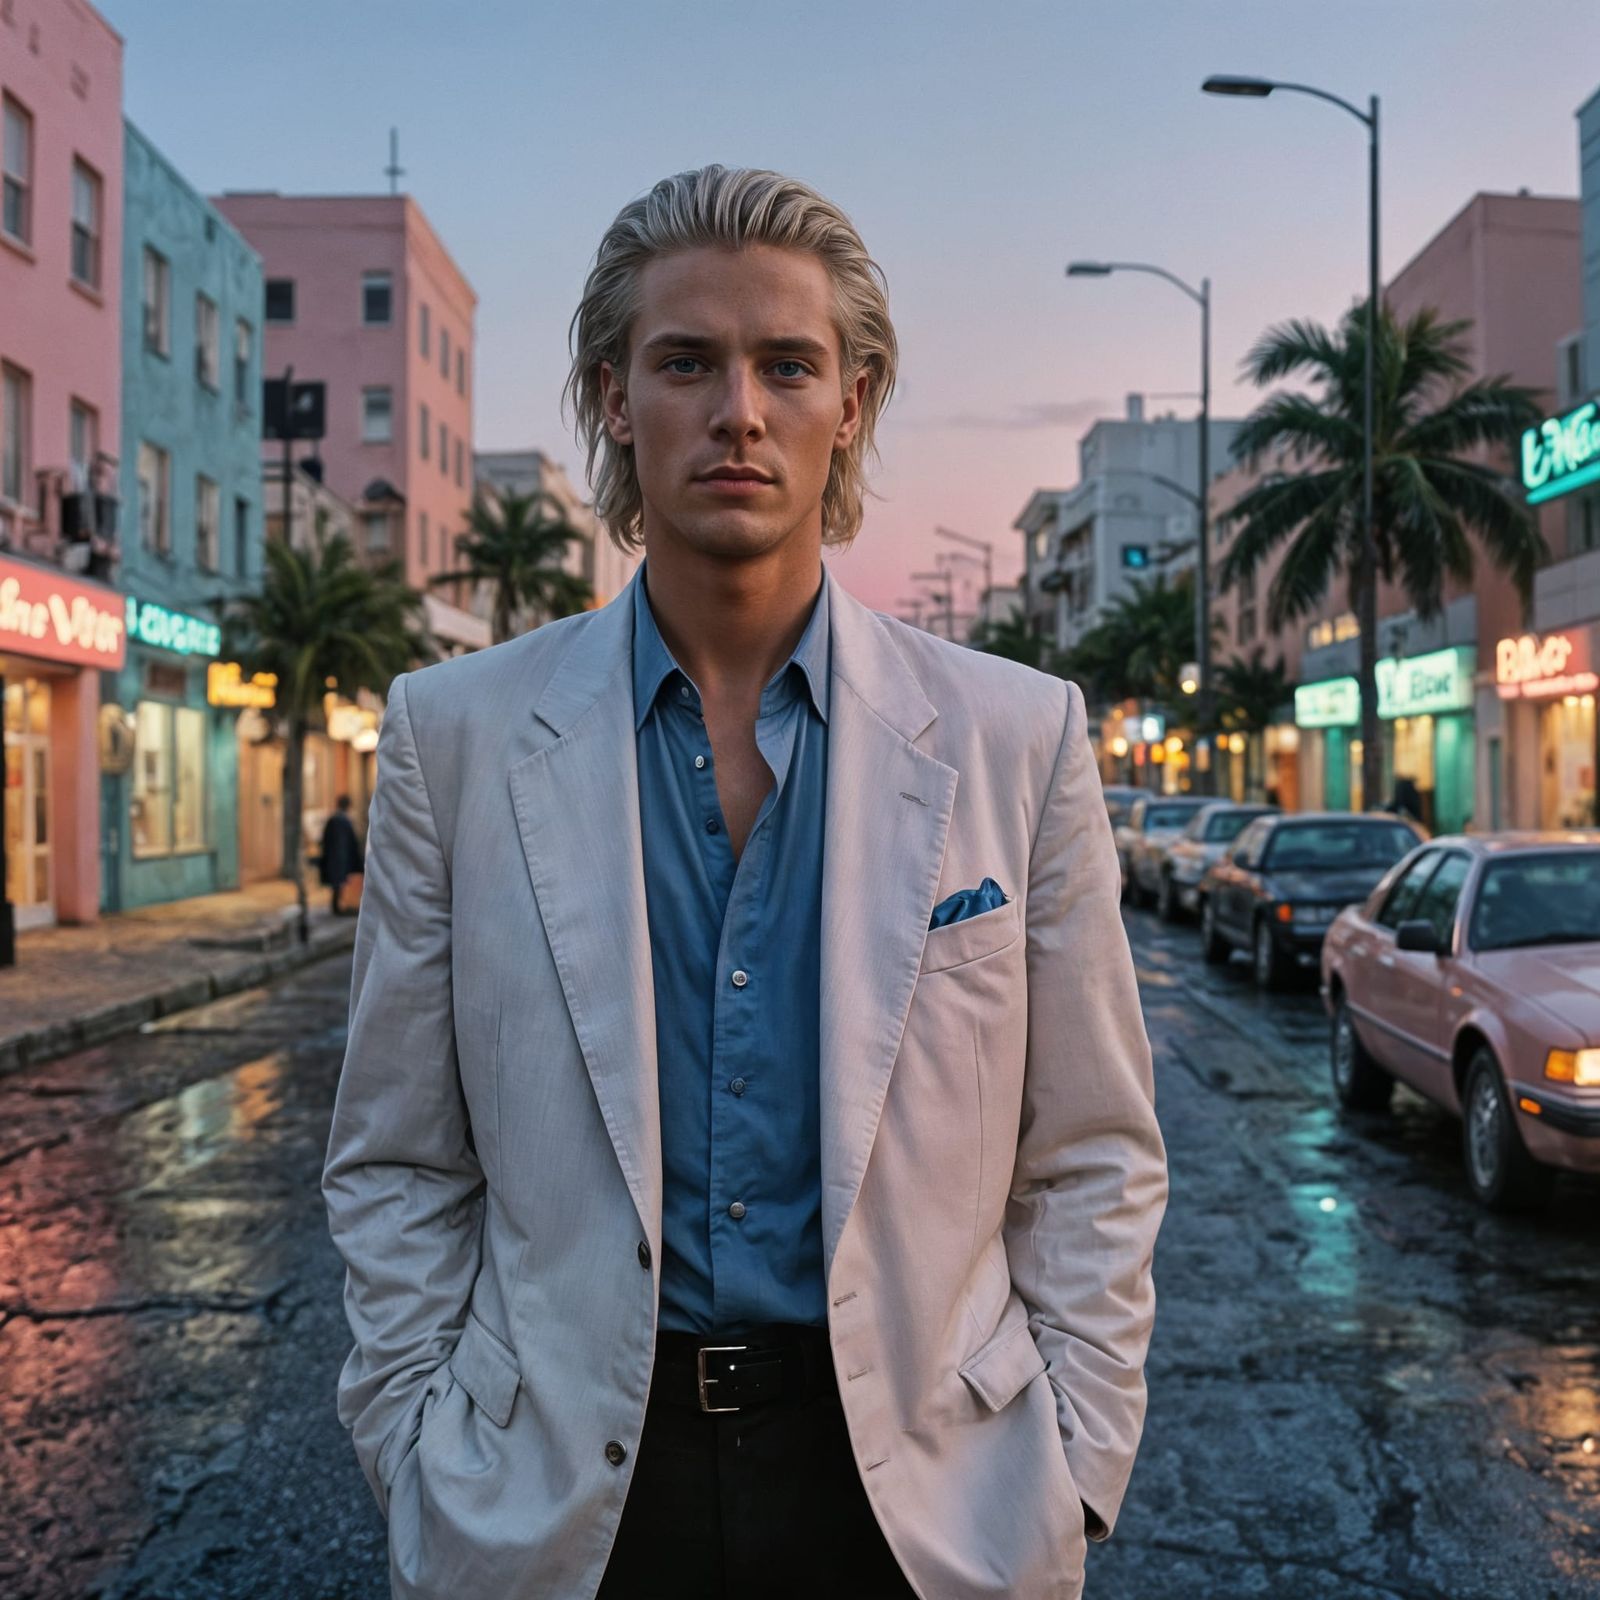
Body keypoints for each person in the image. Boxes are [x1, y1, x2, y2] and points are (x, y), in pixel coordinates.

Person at [323, 165, 1168, 1600]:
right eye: (686, 362)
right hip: (570, 1504)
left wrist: (1072, 1474)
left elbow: (1091, 1151)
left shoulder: (1013, 738)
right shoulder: (454, 737)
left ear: (854, 401)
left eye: (787, 365)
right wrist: (417, 1448)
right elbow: (400, 1156)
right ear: (612, 392)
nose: (739, 412)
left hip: (921, 1508)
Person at [317, 795, 363, 916]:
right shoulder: (343, 821)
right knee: (339, 883)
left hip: (335, 857)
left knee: (338, 884)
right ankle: (338, 907)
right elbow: (349, 842)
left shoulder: (334, 819)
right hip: (340, 857)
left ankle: (337, 906)